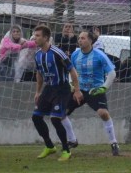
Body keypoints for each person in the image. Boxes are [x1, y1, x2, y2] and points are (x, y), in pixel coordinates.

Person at [31, 25, 83, 162]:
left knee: (55, 118)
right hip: (48, 89)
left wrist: (77, 90)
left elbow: (72, 71)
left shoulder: (57, 53)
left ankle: (66, 150)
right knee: (36, 117)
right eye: (34, 35)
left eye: (38, 36)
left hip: (62, 89)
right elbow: (39, 74)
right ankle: (49, 146)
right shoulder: (37, 55)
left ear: (46, 38)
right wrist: (38, 92)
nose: (35, 38)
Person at [67, 31, 120, 155]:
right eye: (79, 38)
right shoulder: (75, 55)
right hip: (79, 90)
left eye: (83, 38)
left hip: (95, 90)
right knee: (61, 113)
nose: (80, 40)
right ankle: (72, 140)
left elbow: (112, 73)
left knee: (103, 113)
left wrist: (103, 88)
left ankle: (114, 142)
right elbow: (71, 72)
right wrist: (72, 85)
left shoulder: (99, 55)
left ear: (91, 41)